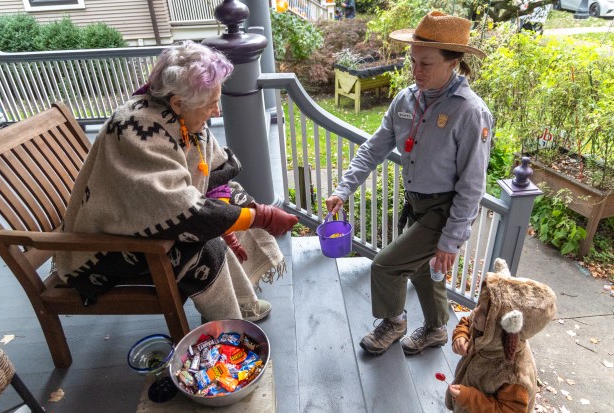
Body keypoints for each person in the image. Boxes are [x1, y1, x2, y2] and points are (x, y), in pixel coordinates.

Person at [54, 41, 298, 323]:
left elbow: (215, 173)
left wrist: (226, 221)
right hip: (106, 245)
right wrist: (261, 217)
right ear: (177, 102)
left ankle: (243, 299)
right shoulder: (134, 129)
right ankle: (228, 324)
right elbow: (181, 213)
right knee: (202, 242)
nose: (216, 111)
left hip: (148, 218)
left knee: (235, 198)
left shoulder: (181, 113)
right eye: (210, 104)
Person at [325, 11, 493, 356]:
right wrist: (343, 188)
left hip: (443, 209)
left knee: (386, 265)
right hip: (416, 202)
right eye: (413, 61)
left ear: (453, 62)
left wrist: (450, 240)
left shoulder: (470, 113)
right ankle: (435, 330)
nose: (416, 71)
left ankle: (393, 321)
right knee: (420, 270)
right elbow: (374, 148)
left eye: (426, 64)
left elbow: (472, 186)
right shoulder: (405, 100)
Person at [446, 258, 557, 412]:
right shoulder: (485, 326)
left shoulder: (513, 374)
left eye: (483, 311)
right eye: (479, 305)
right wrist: (461, 335)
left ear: (503, 324)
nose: (475, 311)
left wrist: (469, 399)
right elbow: (468, 321)